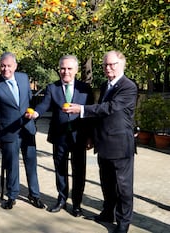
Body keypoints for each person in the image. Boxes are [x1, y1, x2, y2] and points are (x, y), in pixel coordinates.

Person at [65, 50, 137, 233]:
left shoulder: (128, 87)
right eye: (105, 65)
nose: (108, 68)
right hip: (103, 144)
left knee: (123, 188)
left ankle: (123, 224)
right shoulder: (106, 86)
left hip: (120, 146)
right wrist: (91, 135)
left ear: (122, 65)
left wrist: (81, 109)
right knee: (107, 184)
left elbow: (110, 108)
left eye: (112, 64)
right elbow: (100, 116)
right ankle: (107, 213)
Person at [32, 55, 94, 217]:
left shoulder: (85, 89)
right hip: (59, 136)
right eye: (62, 68)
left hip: (79, 137)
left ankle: (77, 204)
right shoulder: (52, 87)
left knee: (79, 171)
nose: (65, 72)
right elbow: (44, 104)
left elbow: (91, 115)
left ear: (76, 70)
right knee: (60, 169)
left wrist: (90, 136)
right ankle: (61, 199)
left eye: (69, 68)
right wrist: (36, 113)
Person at [0, 52, 45, 210]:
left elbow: (29, 98)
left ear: (15, 66)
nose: (5, 69)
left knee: (31, 163)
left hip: (27, 127)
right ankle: (12, 196)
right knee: (11, 164)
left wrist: (32, 113)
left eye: (9, 65)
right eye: (2, 66)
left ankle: (34, 195)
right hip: (8, 130)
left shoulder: (24, 78)